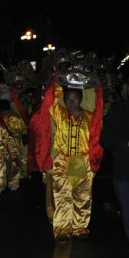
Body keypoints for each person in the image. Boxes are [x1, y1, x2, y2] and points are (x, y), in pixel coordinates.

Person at [36, 81, 104, 242]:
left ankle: (80, 227)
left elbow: (97, 140)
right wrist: (58, 80)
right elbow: (51, 100)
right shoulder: (60, 114)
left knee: (83, 196)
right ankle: (63, 230)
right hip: (62, 162)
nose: (71, 102)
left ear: (80, 99)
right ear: (64, 101)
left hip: (83, 161)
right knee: (62, 196)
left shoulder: (90, 117)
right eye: (68, 99)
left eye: (74, 99)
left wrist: (94, 163)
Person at [100, 73, 129, 258]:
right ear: (126, 88)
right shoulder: (118, 110)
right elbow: (105, 138)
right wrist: (127, 143)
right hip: (125, 174)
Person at [0, 98, 28, 190]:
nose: (3, 113)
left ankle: (13, 183)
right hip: (2, 146)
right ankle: (2, 184)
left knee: (14, 165)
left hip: (14, 146)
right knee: (1, 165)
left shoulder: (16, 118)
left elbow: (24, 131)